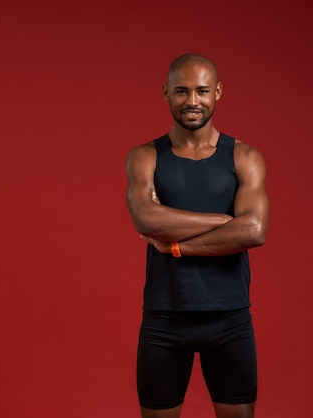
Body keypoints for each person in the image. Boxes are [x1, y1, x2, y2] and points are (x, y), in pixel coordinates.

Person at [125, 53, 270, 418]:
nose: (193, 101)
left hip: (230, 318)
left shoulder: (244, 157)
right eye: (182, 91)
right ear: (166, 93)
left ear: (217, 92)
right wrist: (224, 221)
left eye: (202, 91)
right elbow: (145, 218)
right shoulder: (145, 157)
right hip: (164, 317)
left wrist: (174, 245)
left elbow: (253, 230)